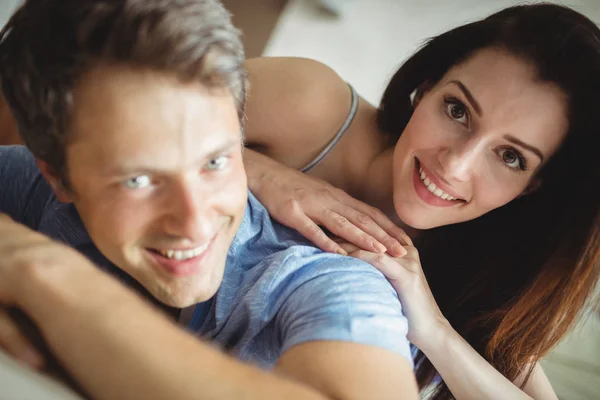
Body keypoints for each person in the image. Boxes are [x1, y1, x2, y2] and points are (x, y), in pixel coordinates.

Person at [0, 1, 419, 399]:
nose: (195, 224)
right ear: (58, 176)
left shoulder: (324, 282)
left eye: (215, 161)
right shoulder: (37, 192)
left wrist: (46, 274)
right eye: (139, 179)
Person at [238, 3, 600, 399]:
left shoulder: (483, 278)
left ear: (532, 185)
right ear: (424, 89)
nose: (456, 166)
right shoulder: (312, 104)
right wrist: (261, 173)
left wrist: (433, 330)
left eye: (511, 157)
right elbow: (159, 111)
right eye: (457, 110)